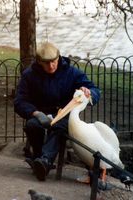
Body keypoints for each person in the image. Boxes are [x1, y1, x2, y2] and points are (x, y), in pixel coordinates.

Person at [14, 42, 100, 181]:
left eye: (54, 61)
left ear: (59, 57)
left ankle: (45, 161)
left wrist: (89, 93)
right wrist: (35, 113)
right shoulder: (29, 75)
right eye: (46, 63)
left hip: (64, 114)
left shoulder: (72, 73)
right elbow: (19, 101)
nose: (51, 66)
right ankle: (38, 157)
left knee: (60, 126)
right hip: (41, 113)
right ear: (39, 61)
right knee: (32, 125)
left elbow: (95, 90)